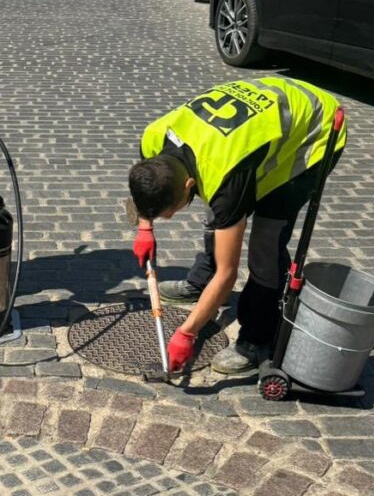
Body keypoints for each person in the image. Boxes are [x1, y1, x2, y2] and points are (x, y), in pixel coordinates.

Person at [128, 77, 346, 373]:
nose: (167, 219)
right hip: (253, 127)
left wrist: (186, 333)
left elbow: (228, 273)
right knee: (220, 209)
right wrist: (144, 228)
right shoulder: (153, 138)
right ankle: (199, 284)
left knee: (265, 242)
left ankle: (256, 339)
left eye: (169, 212)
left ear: (189, 183)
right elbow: (143, 192)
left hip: (313, 130)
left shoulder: (223, 175)